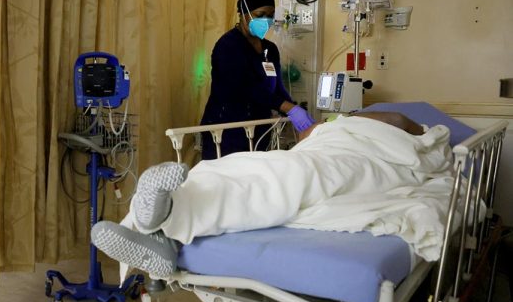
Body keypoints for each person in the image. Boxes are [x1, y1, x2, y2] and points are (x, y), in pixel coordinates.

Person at [91, 112, 452, 278]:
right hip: (315, 154)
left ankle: (163, 221)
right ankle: (161, 223)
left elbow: (418, 143)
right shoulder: (334, 126)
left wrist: (352, 123)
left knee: (281, 180)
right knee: (243, 166)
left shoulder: (388, 126)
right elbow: (305, 143)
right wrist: (323, 129)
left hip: (356, 161)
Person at [200, 0, 315, 159]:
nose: (266, 21)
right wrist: (288, 107)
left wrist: (294, 110)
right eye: (260, 15)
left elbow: (276, 88)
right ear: (243, 13)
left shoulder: (270, 49)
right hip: (226, 132)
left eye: (270, 16)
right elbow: (245, 89)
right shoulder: (228, 46)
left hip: (259, 129)